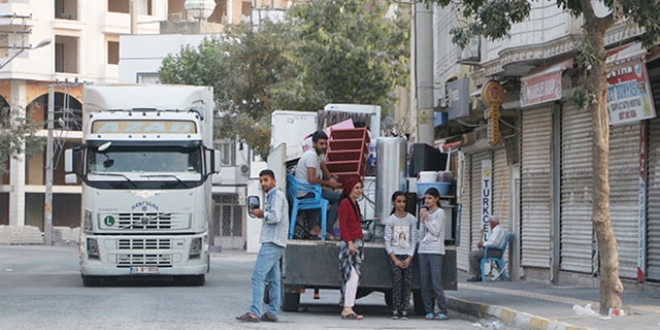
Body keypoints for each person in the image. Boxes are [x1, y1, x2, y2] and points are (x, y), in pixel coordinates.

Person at [236, 169, 289, 323]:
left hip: (272, 241)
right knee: (273, 279)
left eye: (266, 180)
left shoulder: (276, 196)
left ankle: (255, 312)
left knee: (258, 276)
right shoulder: (273, 196)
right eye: (261, 180)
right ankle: (272, 312)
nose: (263, 183)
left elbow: (275, 217)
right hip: (277, 241)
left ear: (274, 181)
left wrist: (261, 214)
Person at [294, 130, 342, 238]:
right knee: (341, 198)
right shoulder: (311, 156)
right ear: (314, 143)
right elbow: (312, 179)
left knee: (338, 197)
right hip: (306, 192)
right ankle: (323, 229)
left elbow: (324, 169)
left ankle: (318, 227)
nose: (324, 146)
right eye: (321, 144)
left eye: (325, 143)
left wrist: (332, 182)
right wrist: (329, 184)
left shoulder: (318, 154)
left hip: (314, 190)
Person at [384, 191, 417, 320]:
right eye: (399, 201)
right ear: (394, 203)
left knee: (407, 282)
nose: (401, 204)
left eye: (403, 201)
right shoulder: (391, 220)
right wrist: (394, 258)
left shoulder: (411, 219)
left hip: (407, 254)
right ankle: (395, 308)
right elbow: (387, 240)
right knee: (397, 282)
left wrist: (410, 257)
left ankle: (404, 308)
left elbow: (413, 239)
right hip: (395, 254)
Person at [418, 187, 449, 320]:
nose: (427, 201)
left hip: (435, 250)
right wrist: (423, 219)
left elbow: (436, 231)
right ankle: (428, 309)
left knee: (436, 281)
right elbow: (421, 232)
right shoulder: (425, 213)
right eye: (426, 198)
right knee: (424, 282)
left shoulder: (440, 213)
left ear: (437, 199)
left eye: (430, 198)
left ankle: (442, 309)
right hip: (423, 249)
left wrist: (426, 218)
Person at [337, 177, 364, 320]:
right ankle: (347, 307)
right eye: (357, 188)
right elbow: (343, 225)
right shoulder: (345, 204)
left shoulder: (355, 204)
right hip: (350, 243)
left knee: (354, 275)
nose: (359, 191)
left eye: (360, 188)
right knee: (350, 275)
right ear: (350, 189)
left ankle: (348, 306)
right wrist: (349, 242)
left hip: (357, 242)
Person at [467, 215, 508, 282]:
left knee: (472, 255)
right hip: (493, 250)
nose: (489, 224)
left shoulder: (498, 230)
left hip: (494, 251)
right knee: (476, 254)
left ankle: (477, 274)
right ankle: (477, 274)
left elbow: (494, 243)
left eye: (490, 222)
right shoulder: (497, 230)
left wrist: (483, 244)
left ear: (493, 222)